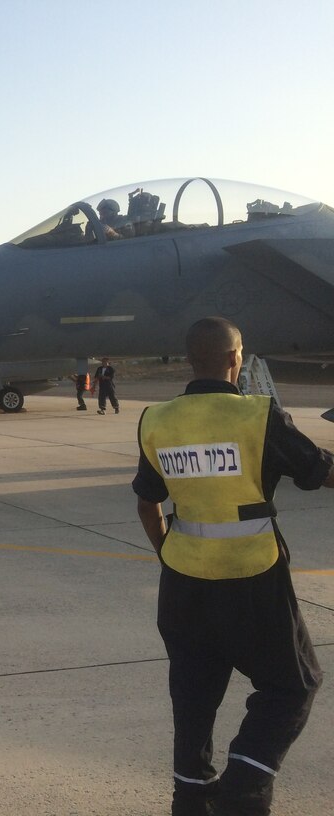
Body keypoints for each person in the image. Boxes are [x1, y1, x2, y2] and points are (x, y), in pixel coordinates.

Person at [132, 317, 333, 816]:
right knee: (293, 686)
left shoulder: (156, 420)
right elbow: (321, 471)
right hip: (252, 580)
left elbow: (147, 503)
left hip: (182, 585)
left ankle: (191, 800)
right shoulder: (257, 417)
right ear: (234, 359)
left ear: (190, 360)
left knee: (194, 701)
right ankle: (244, 788)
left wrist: (168, 552)